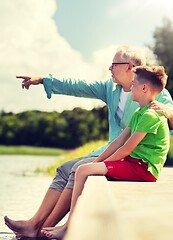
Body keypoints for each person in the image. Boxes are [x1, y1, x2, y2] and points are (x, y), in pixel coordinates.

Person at [4, 46, 173, 238]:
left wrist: (169, 112)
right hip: (112, 149)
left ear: (129, 66)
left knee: (78, 168)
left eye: (114, 64)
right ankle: (35, 222)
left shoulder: (155, 93)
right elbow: (78, 86)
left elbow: (165, 120)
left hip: (135, 156)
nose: (109, 68)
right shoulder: (111, 89)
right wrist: (43, 80)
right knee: (64, 168)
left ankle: (43, 228)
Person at [41, 65, 170, 239]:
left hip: (144, 169)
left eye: (133, 85)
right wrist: (97, 162)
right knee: (86, 168)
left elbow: (126, 149)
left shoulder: (151, 115)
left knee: (83, 169)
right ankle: (67, 224)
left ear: (144, 88)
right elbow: (118, 142)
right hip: (134, 163)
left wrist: (99, 164)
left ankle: (68, 226)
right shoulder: (140, 112)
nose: (130, 89)